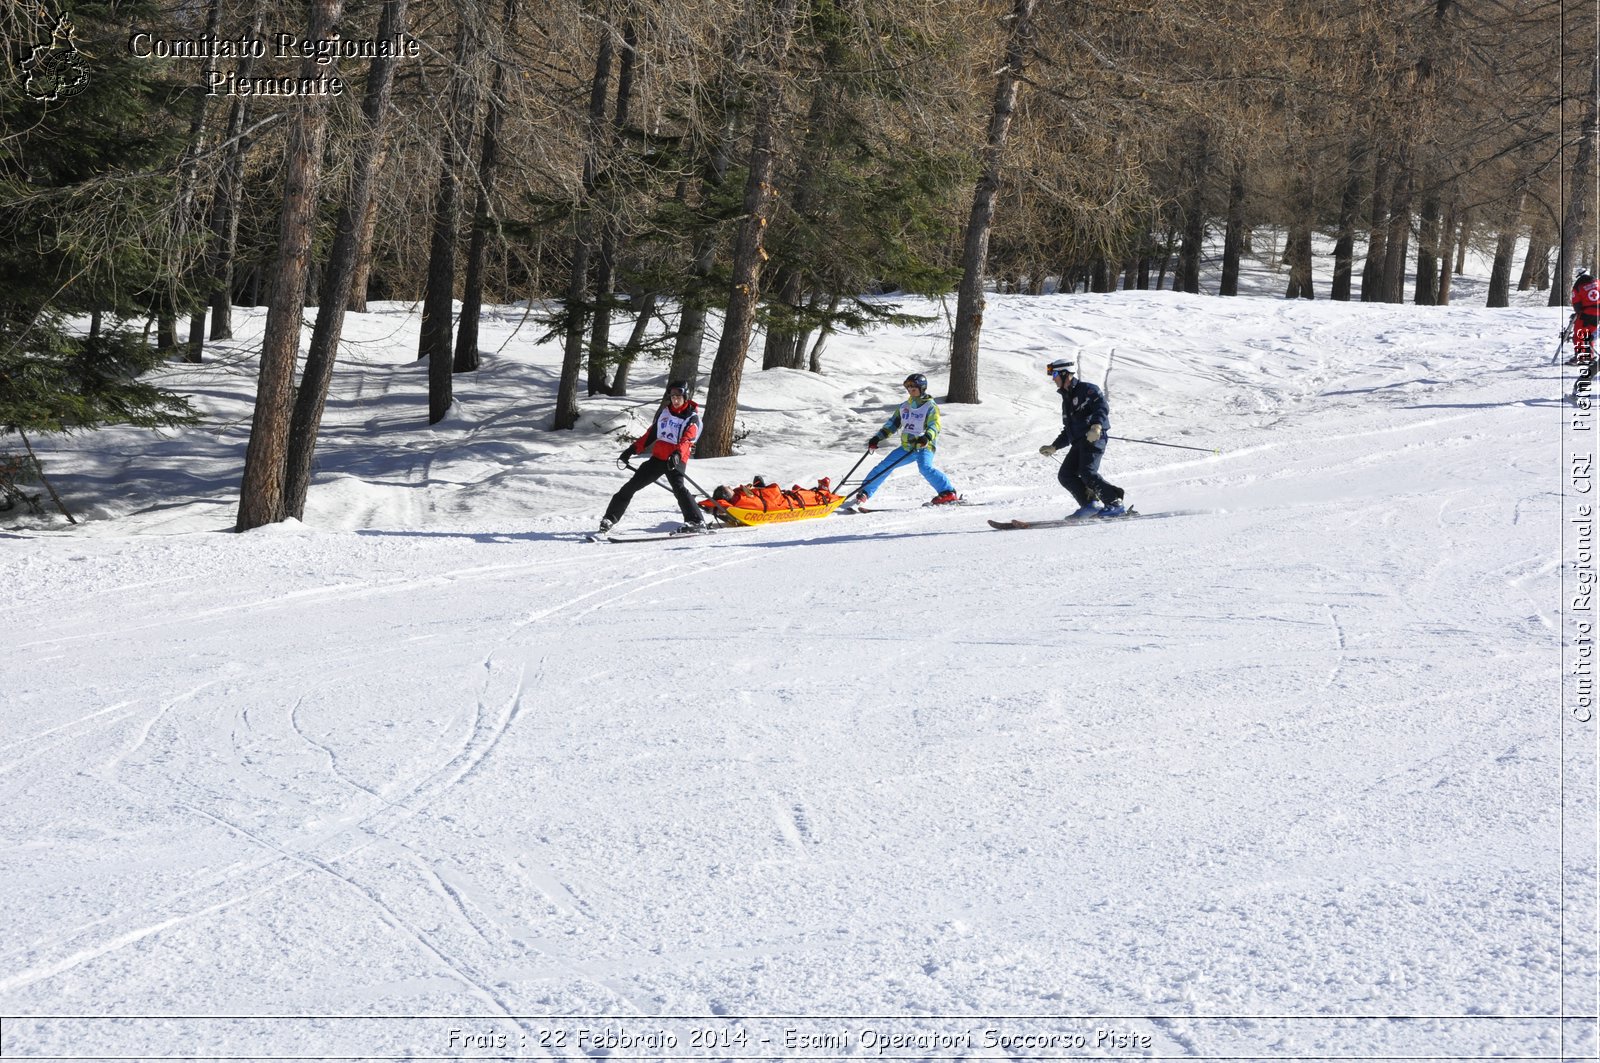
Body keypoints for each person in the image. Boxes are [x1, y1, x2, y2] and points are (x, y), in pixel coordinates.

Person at [600, 380, 708, 533]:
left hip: (675, 458)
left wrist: (677, 454)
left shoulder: (691, 417)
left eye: (679, 397)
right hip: (658, 458)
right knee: (631, 486)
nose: (675, 400)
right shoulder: (665, 412)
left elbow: (687, 439)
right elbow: (651, 434)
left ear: (685, 396)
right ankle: (609, 519)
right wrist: (631, 450)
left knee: (679, 489)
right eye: (673, 397)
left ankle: (696, 521)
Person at [849, 373, 960, 507]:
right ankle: (865, 492)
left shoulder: (930, 406)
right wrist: (877, 438)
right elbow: (892, 424)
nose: (911, 390)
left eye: (914, 388)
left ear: (922, 388)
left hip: (924, 446)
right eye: (909, 388)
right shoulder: (904, 406)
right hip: (907, 447)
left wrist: (927, 437)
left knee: (925, 467)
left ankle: (948, 492)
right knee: (884, 466)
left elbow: (935, 425)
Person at [1038, 357, 1127, 518]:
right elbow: (1069, 430)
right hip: (1079, 443)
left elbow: (1101, 407)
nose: (1053, 378)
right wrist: (1054, 446)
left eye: (1055, 374)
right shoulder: (1067, 400)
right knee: (1065, 474)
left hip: (1094, 438)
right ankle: (1090, 505)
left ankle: (1115, 503)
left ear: (1066, 374)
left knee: (1087, 472)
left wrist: (1097, 426)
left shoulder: (1087, 390)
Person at [1571, 270, 1600, 365]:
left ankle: (1580, 356)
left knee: (1578, 334)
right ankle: (1589, 355)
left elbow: (1576, 304)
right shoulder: (1598, 282)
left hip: (1585, 313)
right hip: (1598, 313)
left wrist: (1577, 312)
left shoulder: (1578, 287)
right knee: (1589, 334)